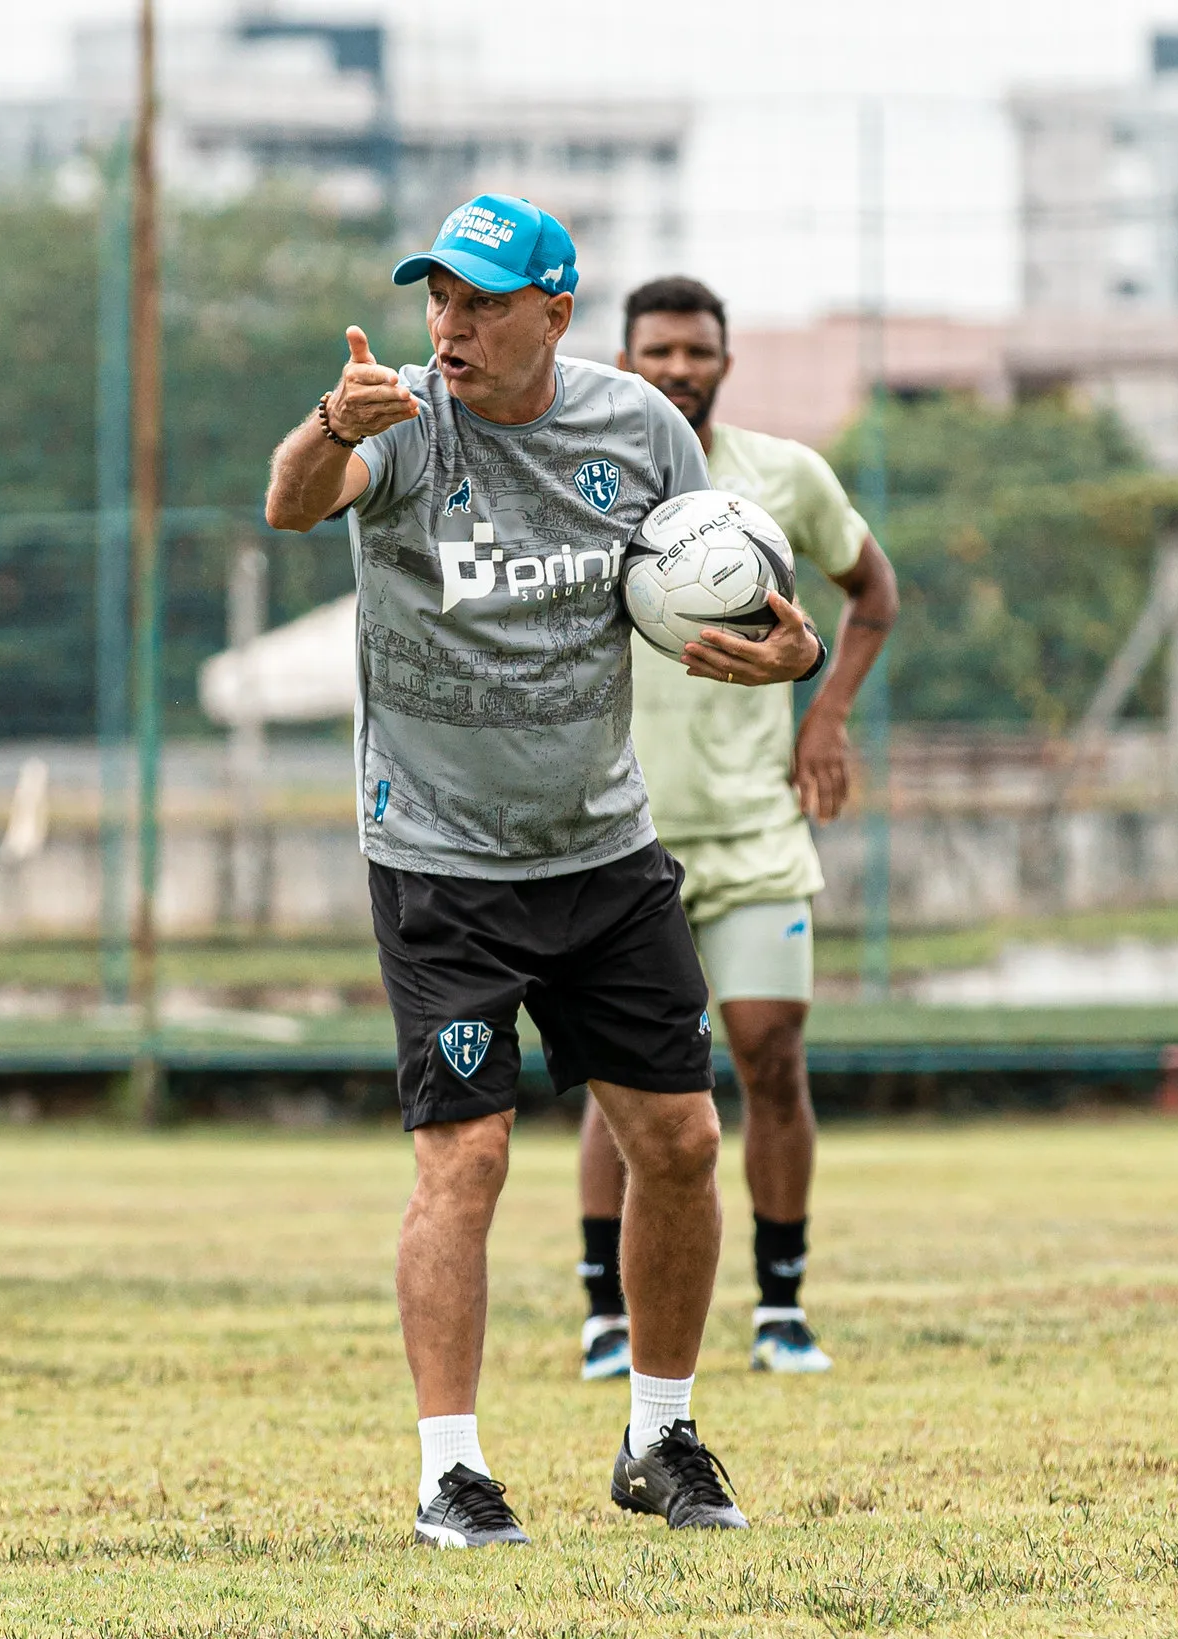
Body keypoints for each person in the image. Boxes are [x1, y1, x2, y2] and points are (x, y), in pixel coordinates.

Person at [263, 200, 827, 1548]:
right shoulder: (395, 416)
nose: (448, 327)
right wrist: (331, 425)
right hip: (441, 860)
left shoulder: (641, 428)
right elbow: (290, 504)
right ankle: (449, 1469)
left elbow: (728, 581)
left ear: (554, 314)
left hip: (602, 847)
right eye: (436, 300)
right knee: (467, 1157)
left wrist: (789, 648)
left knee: (684, 1141)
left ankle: (662, 1431)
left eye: (481, 302)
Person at [576, 276, 899, 1382]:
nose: (677, 368)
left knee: (768, 1052)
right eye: (657, 350)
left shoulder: (782, 477)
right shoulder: (585, 479)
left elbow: (873, 594)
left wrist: (827, 717)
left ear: (723, 360)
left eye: (696, 350)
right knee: (625, 1081)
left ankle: (780, 1306)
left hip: (756, 824)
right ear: (623, 360)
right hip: (618, 828)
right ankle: (602, 1317)